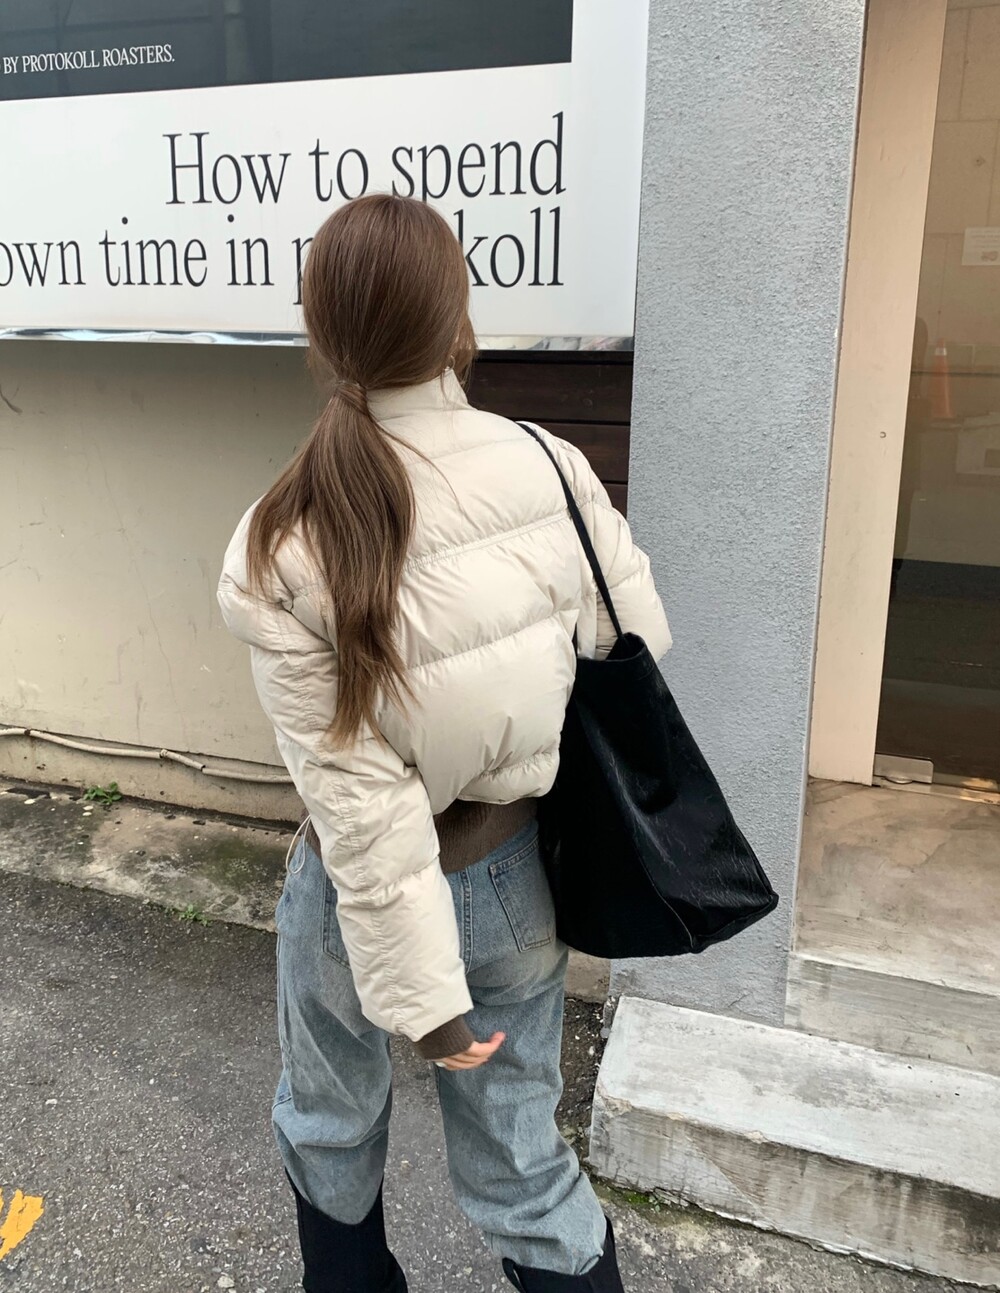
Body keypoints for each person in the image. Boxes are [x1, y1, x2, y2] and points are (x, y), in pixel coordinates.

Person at [217, 194, 671, 1292]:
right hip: (513, 874)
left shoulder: (280, 534)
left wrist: (421, 1000)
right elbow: (636, 646)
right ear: (458, 321)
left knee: (329, 1129)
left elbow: (359, 802)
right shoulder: (551, 466)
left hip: (354, 903)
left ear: (320, 334)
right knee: (524, 1167)